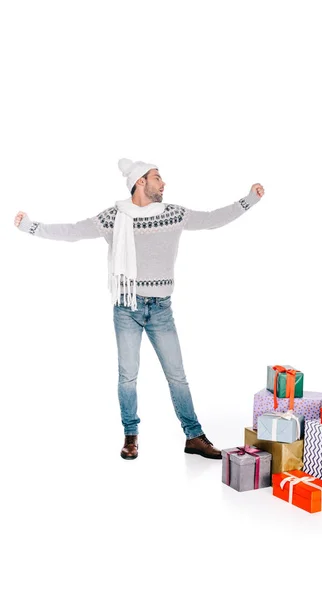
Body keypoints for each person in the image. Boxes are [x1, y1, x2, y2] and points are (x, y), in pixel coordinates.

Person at [14, 159, 265, 460]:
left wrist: (249, 200)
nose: (163, 183)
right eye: (157, 178)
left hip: (161, 310)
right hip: (127, 308)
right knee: (127, 377)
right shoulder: (115, 218)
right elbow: (73, 231)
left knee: (177, 376)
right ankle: (131, 437)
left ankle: (194, 436)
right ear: (140, 182)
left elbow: (213, 219)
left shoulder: (174, 214)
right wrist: (31, 227)